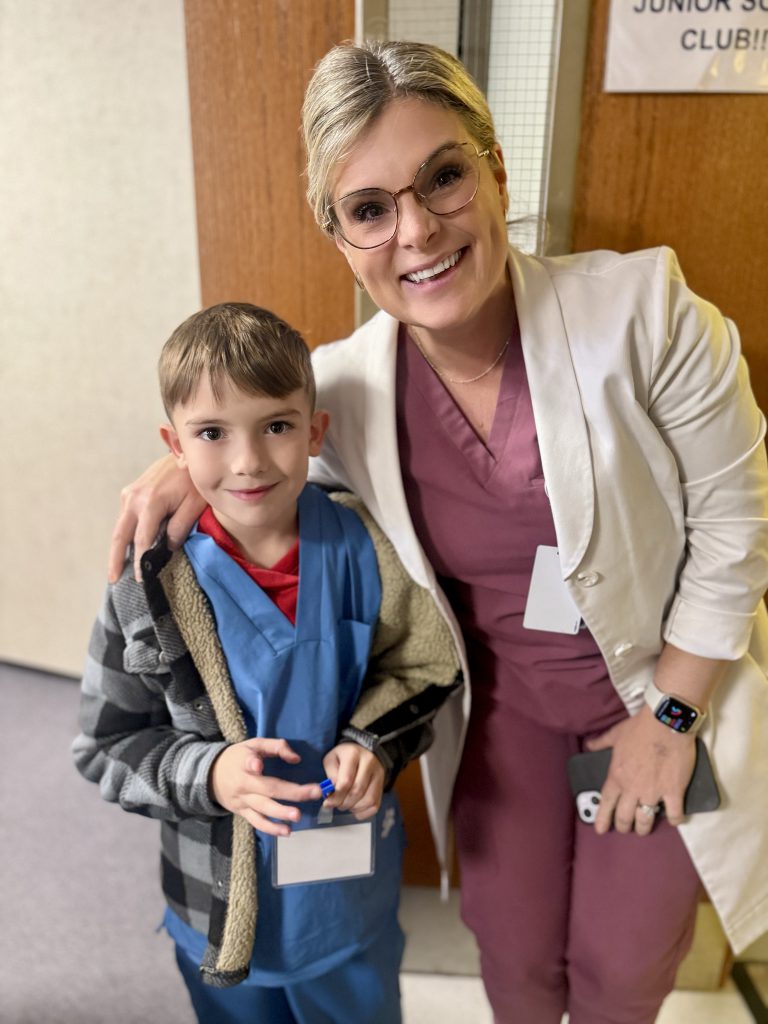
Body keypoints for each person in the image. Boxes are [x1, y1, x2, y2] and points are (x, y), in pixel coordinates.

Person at [107, 40, 768, 1024]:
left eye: (444, 176)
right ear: (339, 233)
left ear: (494, 170)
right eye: (371, 208)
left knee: (622, 972)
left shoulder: (648, 313)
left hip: (663, 698)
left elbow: (735, 531)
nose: (417, 230)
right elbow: (261, 442)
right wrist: (184, 464)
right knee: (513, 960)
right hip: (502, 724)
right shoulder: (345, 389)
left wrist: (669, 721)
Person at [74, 301, 461, 1024]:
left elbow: (424, 667)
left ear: (315, 432)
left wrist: (372, 743)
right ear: (174, 446)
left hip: (348, 901)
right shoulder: (147, 587)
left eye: (277, 426)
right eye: (212, 434)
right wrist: (210, 773)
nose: (248, 460)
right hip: (218, 905)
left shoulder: (366, 549)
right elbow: (104, 746)